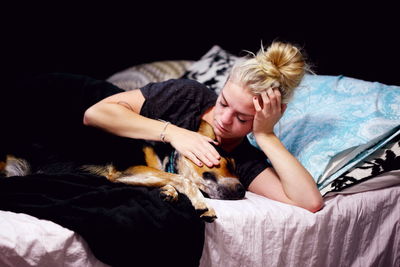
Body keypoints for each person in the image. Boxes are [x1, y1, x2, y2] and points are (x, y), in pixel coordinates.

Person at [83, 41, 324, 212]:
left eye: (242, 119)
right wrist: (174, 133)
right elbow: (96, 113)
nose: (224, 119)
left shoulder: (240, 160)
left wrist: (266, 134)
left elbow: (309, 202)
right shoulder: (188, 97)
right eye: (224, 102)